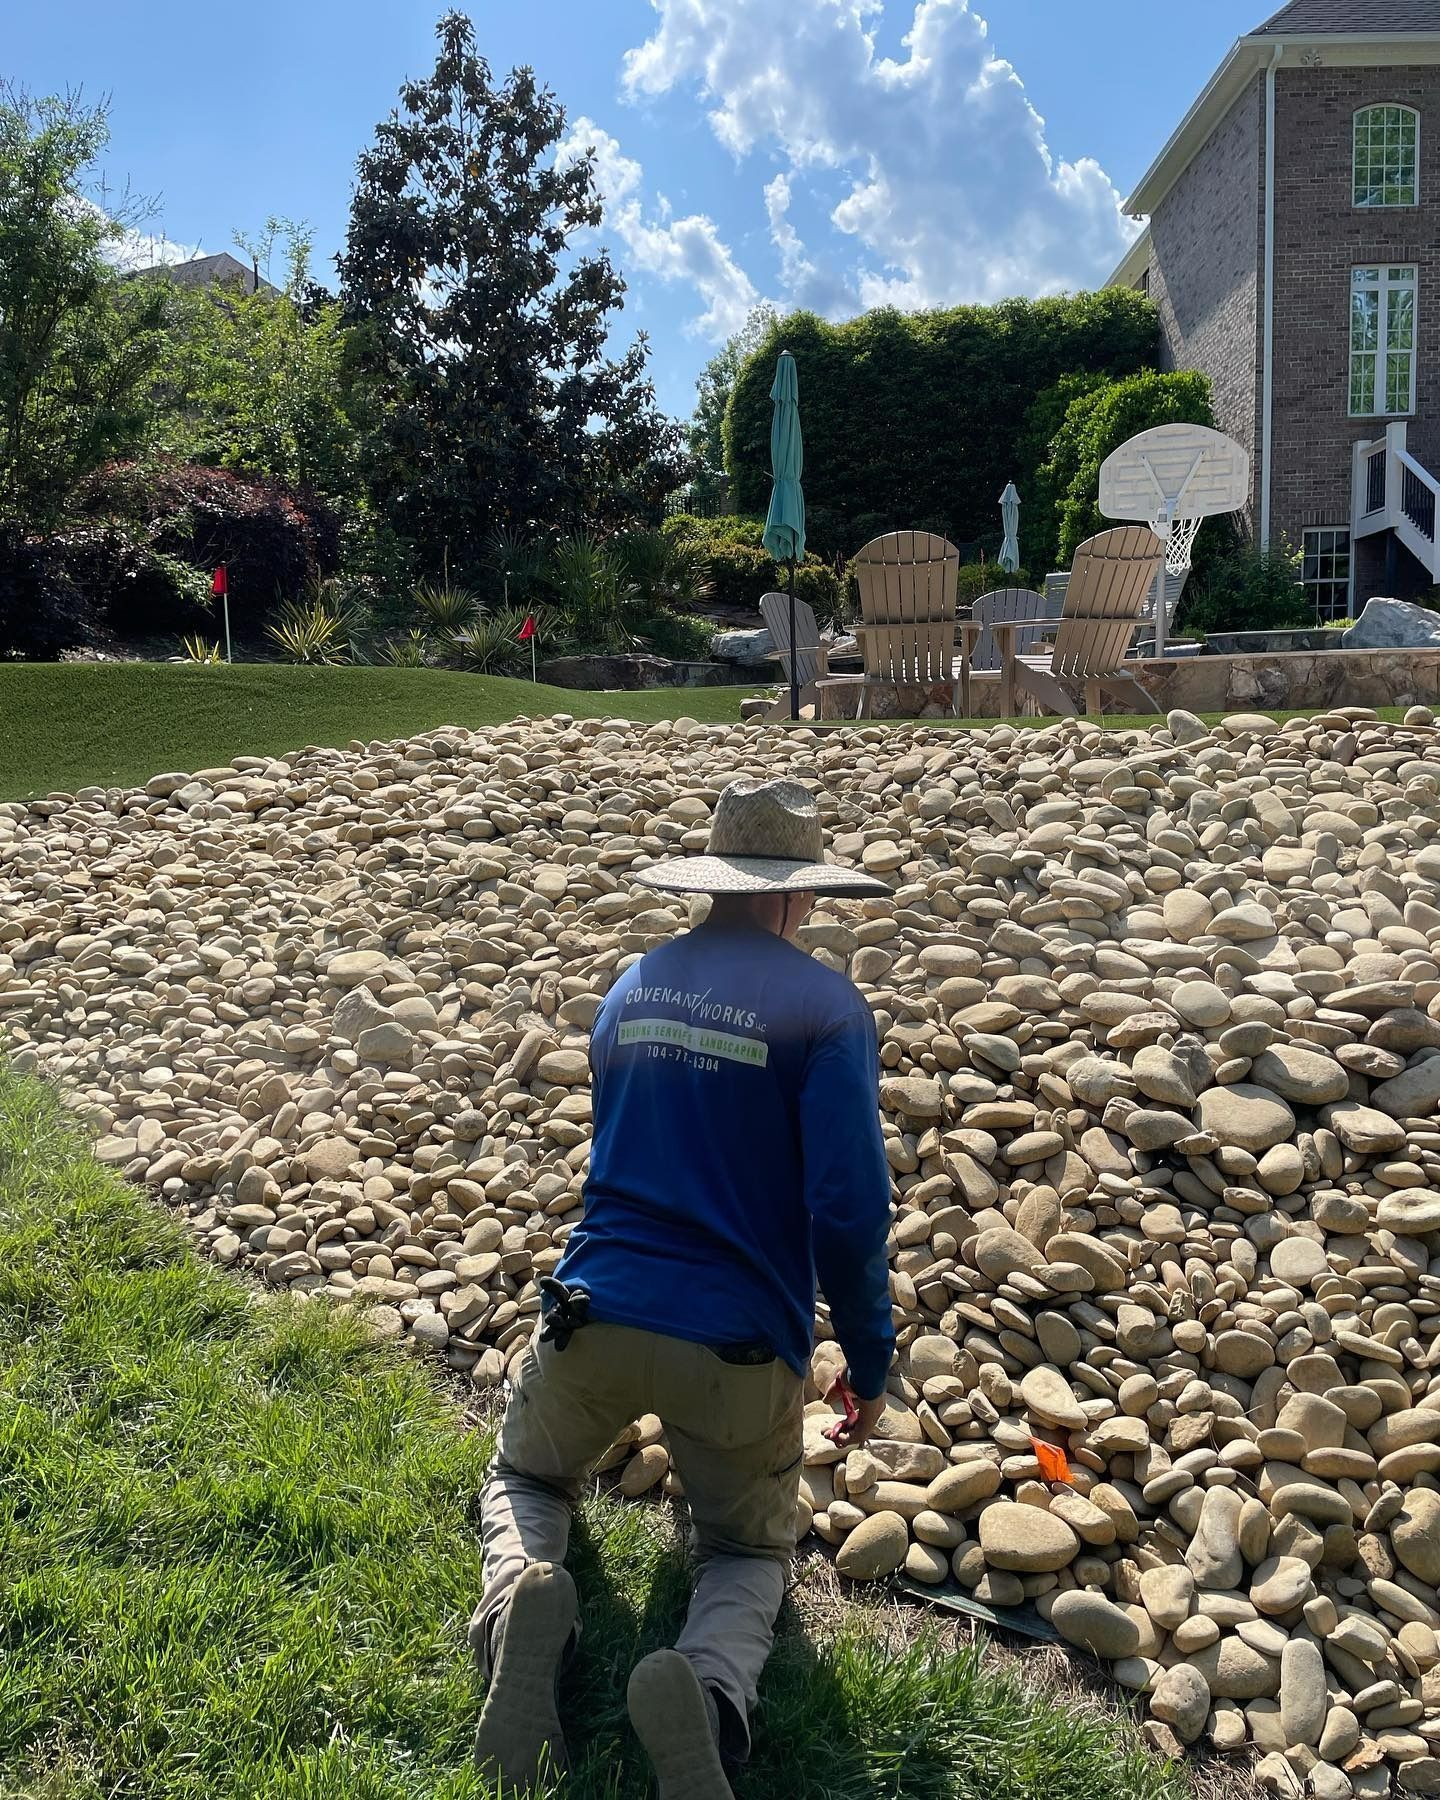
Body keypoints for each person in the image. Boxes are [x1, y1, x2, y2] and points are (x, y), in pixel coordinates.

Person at [469, 776, 895, 1799]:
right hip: (738, 1346)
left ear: (713, 883)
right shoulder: (826, 1008)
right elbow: (847, 1210)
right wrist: (869, 1363)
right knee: (746, 1550)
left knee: (527, 1481)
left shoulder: (631, 987)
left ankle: (520, 1603)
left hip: (593, 1312)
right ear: (795, 897)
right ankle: (704, 1695)